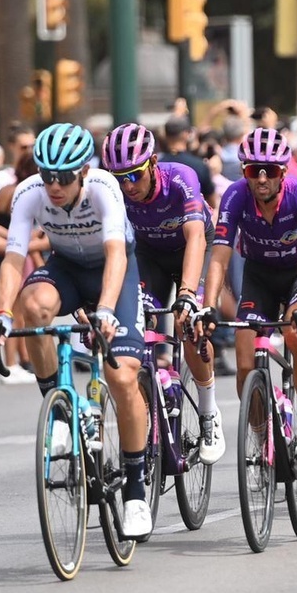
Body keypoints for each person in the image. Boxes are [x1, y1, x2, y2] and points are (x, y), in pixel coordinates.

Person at [0, 123, 154, 538]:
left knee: (122, 374)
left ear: (83, 171)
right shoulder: (28, 194)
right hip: (67, 268)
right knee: (34, 306)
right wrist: (3, 313)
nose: (54, 186)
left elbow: (116, 253)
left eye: (63, 178)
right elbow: (13, 258)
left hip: (113, 272)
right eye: (47, 176)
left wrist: (108, 311)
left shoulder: (103, 188)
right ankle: (59, 409)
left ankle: (134, 489)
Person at [195, 128, 297, 458]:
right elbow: (220, 256)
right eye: (254, 170)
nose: (262, 178)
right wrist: (208, 306)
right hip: (260, 275)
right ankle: (260, 435)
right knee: (243, 362)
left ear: (284, 171)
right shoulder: (235, 196)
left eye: (271, 170)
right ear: (244, 171)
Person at [101, 123, 223, 465]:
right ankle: (149, 407)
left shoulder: (180, 178)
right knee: (139, 325)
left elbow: (197, 238)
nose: (127, 185)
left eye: (135, 174)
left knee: (190, 325)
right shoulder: (113, 190)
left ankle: (209, 413)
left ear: (153, 162)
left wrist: (187, 293)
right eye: (119, 176)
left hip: (192, 248)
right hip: (148, 256)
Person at [159, 114, 218, 212]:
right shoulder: (199, 165)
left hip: (162, 222)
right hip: (195, 220)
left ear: (165, 134)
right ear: (186, 134)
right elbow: (212, 203)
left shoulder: (156, 165)